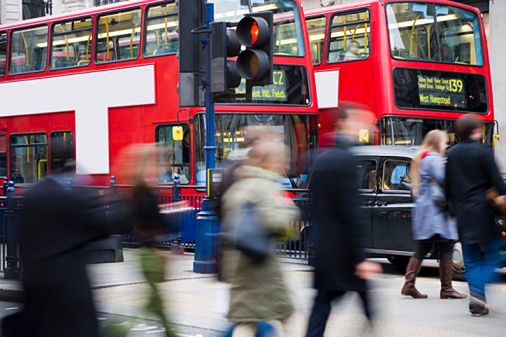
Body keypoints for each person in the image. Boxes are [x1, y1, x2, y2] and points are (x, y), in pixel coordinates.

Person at [1, 162, 130, 337]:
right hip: (68, 291)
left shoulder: (33, 194)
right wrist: (113, 198)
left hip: (37, 287)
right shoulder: (71, 198)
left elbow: (21, 237)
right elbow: (106, 225)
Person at [305, 105, 381, 337]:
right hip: (345, 254)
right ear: (345, 124)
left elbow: (311, 207)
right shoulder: (347, 161)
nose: (365, 127)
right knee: (368, 306)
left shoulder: (320, 160)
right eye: (361, 122)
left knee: (322, 304)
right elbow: (351, 212)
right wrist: (361, 258)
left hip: (324, 250)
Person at [220, 137, 299, 337]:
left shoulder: (241, 184)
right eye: (283, 160)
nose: (286, 165)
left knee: (248, 320)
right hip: (260, 267)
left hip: (240, 263)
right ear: (272, 161)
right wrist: (289, 211)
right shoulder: (266, 186)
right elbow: (274, 222)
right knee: (280, 315)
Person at [445, 115, 506, 316]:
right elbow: (497, 182)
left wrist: (452, 210)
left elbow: (447, 187)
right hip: (484, 212)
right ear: (476, 131)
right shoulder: (483, 151)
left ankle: (476, 304)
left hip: (463, 213)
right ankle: (478, 294)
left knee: (471, 260)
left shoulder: (451, 154)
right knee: (495, 254)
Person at [401, 130, 466, 299]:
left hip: (426, 212)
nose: (446, 146)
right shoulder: (434, 159)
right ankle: (446, 288)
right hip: (437, 213)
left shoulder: (423, 158)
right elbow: (447, 179)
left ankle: (409, 285)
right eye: (444, 142)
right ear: (437, 143)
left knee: (422, 249)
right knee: (446, 246)